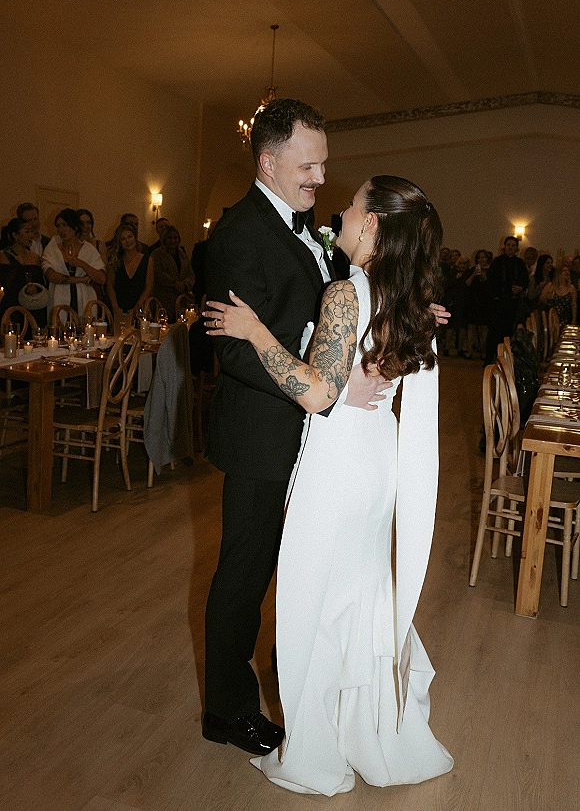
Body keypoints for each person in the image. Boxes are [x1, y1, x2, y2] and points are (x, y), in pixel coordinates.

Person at [205, 174, 454, 795]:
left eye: (353, 203)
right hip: (375, 470)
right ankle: (366, 732)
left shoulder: (347, 291)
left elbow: (319, 393)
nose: (340, 209)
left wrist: (256, 331)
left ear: (370, 224)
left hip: (338, 471)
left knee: (315, 605)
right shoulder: (407, 298)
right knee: (357, 601)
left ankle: (319, 749)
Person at [202, 98, 393, 758]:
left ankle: (298, 683)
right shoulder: (235, 236)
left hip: (309, 433)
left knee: (299, 566)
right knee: (244, 574)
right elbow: (230, 348)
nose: (318, 177)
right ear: (269, 160)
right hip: (261, 436)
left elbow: (331, 307)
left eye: (323, 164)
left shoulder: (306, 227)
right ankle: (226, 710)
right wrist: (325, 388)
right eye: (308, 165)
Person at [42, 208, 105, 322]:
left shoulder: (88, 250)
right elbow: (51, 276)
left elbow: (101, 278)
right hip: (59, 298)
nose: (61, 230)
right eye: (58, 226)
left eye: (65, 225)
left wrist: (82, 264)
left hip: (84, 297)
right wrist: (80, 279)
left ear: (75, 227)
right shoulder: (52, 249)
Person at [484, 235, 528, 363]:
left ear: (517, 248)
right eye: (508, 245)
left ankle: (507, 359)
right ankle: (489, 358)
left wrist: (520, 288)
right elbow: (491, 282)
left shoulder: (520, 263)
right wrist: (496, 296)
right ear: (504, 246)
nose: (510, 247)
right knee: (494, 332)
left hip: (514, 303)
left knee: (510, 331)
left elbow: (525, 281)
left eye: (513, 245)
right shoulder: (497, 262)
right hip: (499, 303)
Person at [0, 217, 48, 325]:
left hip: (33, 307)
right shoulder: (4, 256)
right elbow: (7, 284)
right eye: (27, 232)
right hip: (12, 308)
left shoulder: (36, 258)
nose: (31, 235)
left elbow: (42, 283)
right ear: (15, 235)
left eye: (32, 232)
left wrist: (35, 288)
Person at [106, 223, 154, 324]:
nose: (127, 241)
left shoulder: (147, 260)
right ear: (119, 242)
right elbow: (109, 284)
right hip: (118, 307)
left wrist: (137, 308)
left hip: (139, 308)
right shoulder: (115, 260)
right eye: (123, 239)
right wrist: (115, 307)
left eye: (130, 237)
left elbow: (148, 287)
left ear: (135, 238)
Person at [151, 225, 195, 321]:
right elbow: (158, 273)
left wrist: (185, 284)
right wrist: (175, 283)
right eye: (169, 238)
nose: (173, 240)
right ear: (164, 239)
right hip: (164, 298)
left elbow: (190, 274)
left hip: (181, 299)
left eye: (175, 238)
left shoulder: (182, 254)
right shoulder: (157, 254)